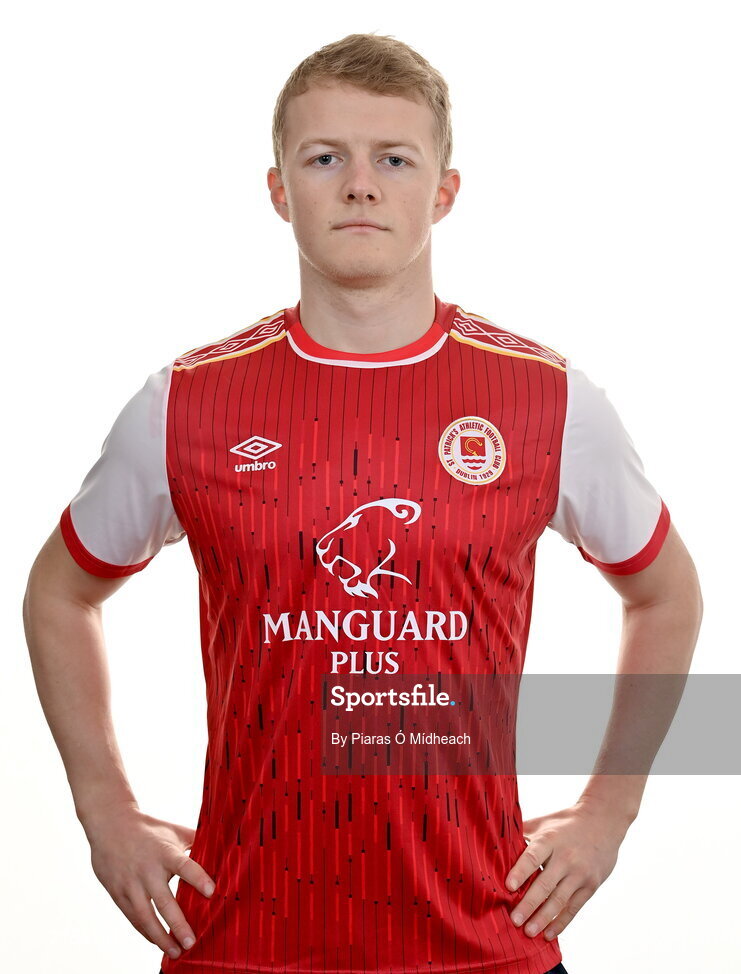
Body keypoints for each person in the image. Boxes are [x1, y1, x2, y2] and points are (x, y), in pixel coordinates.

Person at [22, 31, 702, 974]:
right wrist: (104, 808)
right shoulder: (186, 403)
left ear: (443, 191)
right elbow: (58, 592)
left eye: (393, 159)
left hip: (486, 939)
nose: (359, 186)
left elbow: (666, 593)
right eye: (324, 158)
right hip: (239, 939)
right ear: (278, 190)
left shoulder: (545, 400)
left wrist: (608, 809)